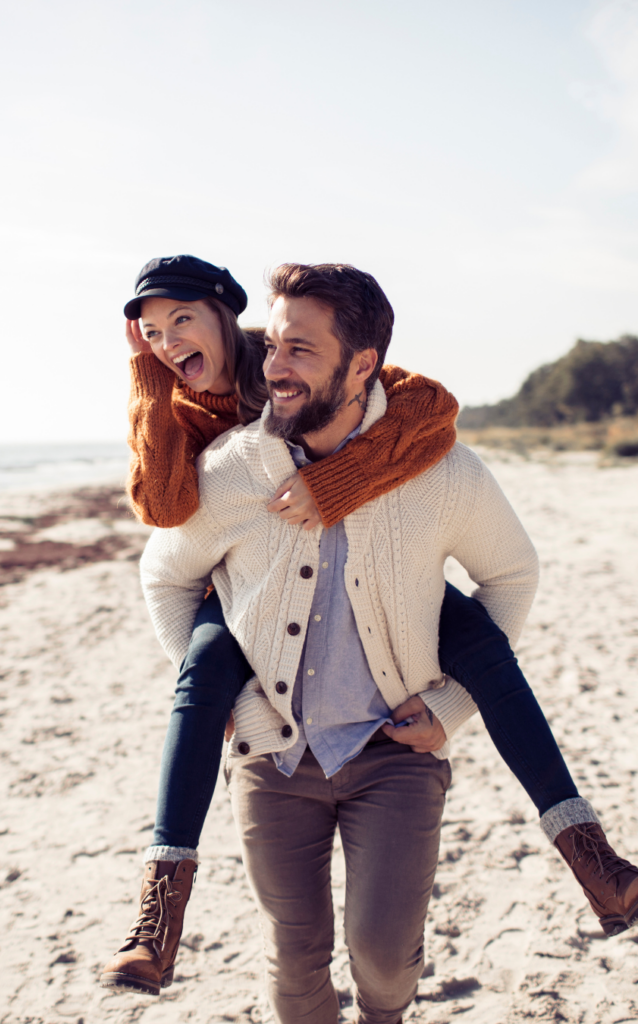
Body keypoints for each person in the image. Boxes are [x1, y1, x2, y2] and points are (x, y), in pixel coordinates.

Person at [100, 256, 638, 1002]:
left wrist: (450, 706)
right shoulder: (222, 456)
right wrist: (247, 711)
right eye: (277, 346)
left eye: (299, 349)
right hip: (276, 755)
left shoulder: (429, 462)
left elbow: (501, 551)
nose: (278, 365)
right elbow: (162, 548)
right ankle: (158, 912)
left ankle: (590, 855)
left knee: (386, 963)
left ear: (362, 366)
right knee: (292, 965)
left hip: (392, 751)